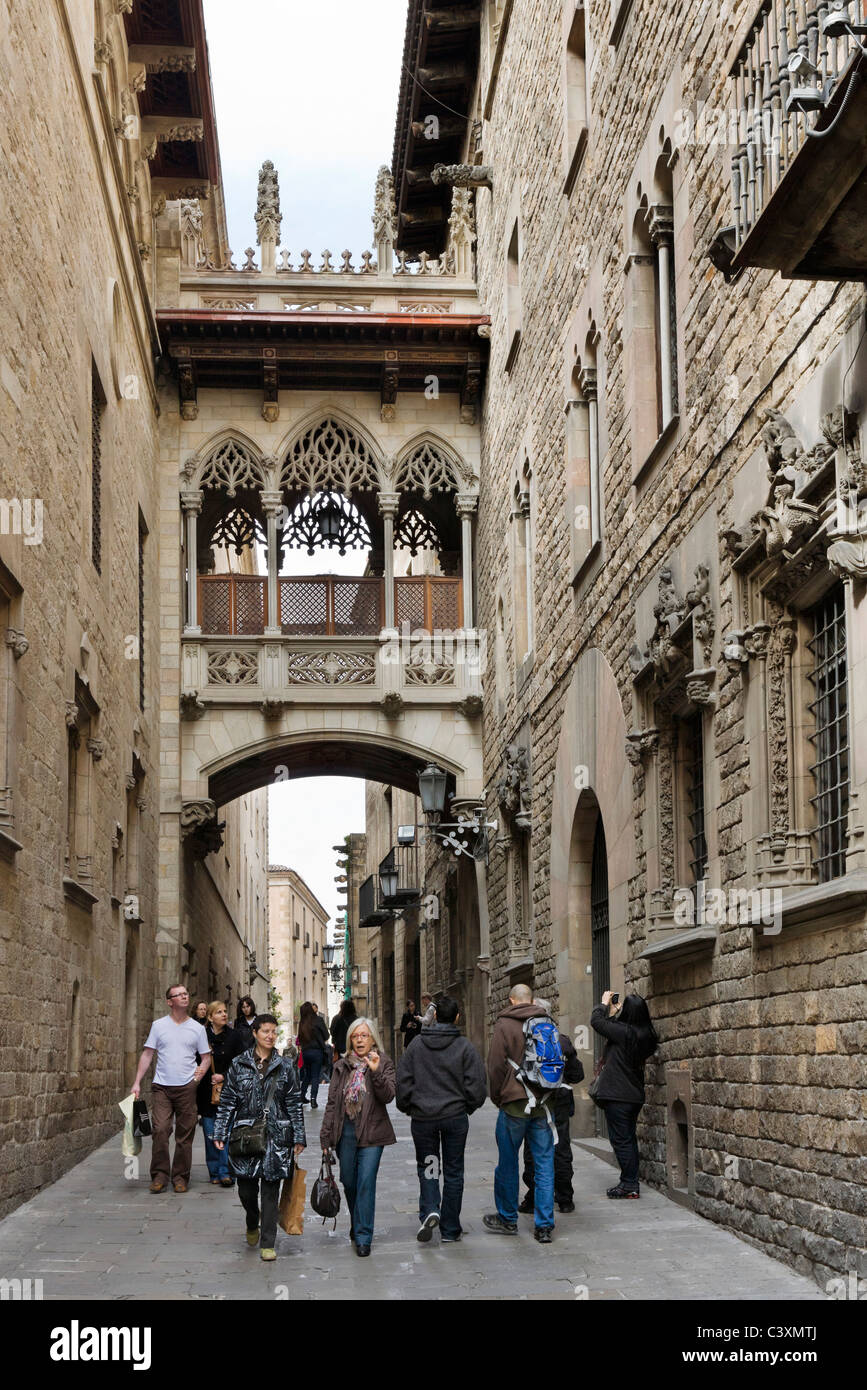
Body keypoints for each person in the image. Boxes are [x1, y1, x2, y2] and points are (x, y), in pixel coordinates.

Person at [213, 1013, 306, 1261]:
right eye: (265, 1031)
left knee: (270, 1189)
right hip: (246, 1136)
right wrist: (221, 1130)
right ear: (254, 1033)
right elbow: (228, 1101)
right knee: (246, 1190)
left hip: (278, 1136)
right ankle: (252, 1220)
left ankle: (268, 1243)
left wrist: (299, 1136)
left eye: (274, 1032)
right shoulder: (239, 1064)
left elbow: (295, 1102)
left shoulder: (285, 1066)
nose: (270, 1036)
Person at [396, 994, 486, 1244]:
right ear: (457, 1017)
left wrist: (408, 1106)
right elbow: (477, 1085)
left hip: (424, 1119)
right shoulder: (465, 1047)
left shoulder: (416, 1046)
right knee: (454, 1171)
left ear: (434, 1016)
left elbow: (403, 1081)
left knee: (429, 1165)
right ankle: (450, 1228)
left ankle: (430, 1208)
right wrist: (467, 1106)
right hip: (454, 1117)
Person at [484, 983, 557, 1243]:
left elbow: (494, 1066)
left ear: (512, 1000)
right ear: (531, 1000)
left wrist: (497, 1096)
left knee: (507, 1161)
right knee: (545, 1165)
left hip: (514, 1104)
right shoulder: (547, 1020)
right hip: (544, 1103)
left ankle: (507, 1218)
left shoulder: (505, 1023)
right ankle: (545, 1225)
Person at [319, 1017, 396, 1257]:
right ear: (350, 1040)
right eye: (355, 1036)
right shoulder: (341, 1066)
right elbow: (332, 1102)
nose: (360, 1039)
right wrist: (326, 1137)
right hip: (346, 1132)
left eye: (364, 1035)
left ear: (373, 1038)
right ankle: (357, 1221)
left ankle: (363, 1236)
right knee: (349, 1182)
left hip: (373, 1131)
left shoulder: (383, 1063)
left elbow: (388, 1095)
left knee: (365, 1183)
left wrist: (375, 1073)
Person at [131, 984, 212, 1194]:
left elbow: (206, 1057)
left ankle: (180, 1177)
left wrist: (198, 1076)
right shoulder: (159, 1026)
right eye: (179, 994)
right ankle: (159, 1175)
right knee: (160, 1130)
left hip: (187, 1087)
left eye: (186, 993)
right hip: (162, 1087)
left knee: (185, 1135)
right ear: (170, 1002)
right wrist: (137, 1082)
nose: (185, 996)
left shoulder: (197, 1028)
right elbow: (148, 1054)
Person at [590, 991, 658, 1198]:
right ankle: (630, 1181)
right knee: (628, 1139)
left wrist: (602, 1004)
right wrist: (615, 1014)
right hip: (633, 1095)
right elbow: (614, 1029)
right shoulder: (648, 1035)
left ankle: (629, 1185)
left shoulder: (624, 1032)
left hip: (618, 1096)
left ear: (627, 1011)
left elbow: (597, 1023)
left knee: (621, 1141)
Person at [519, 999, 583, 1215]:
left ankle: (533, 1195)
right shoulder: (562, 1042)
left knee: (532, 1149)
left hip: (536, 1101)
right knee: (561, 1147)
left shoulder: (526, 1042)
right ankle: (565, 1198)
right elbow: (578, 1074)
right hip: (561, 1100)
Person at [197, 1000, 244, 1187]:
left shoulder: (235, 1036)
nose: (224, 1014)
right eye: (219, 1012)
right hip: (206, 1092)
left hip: (228, 1090)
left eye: (225, 1011)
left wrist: (223, 1076)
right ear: (210, 1017)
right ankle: (214, 1171)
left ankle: (226, 1171)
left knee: (226, 1132)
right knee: (210, 1134)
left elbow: (241, 1062)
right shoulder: (201, 1036)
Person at [297, 1000, 329, 1108]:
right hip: (317, 1051)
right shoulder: (318, 1020)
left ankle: (302, 1095)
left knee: (307, 1075)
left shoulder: (302, 1023)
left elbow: (300, 1038)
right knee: (315, 1075)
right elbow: (326, 1035)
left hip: (306, 1052)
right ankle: (313, 1099)